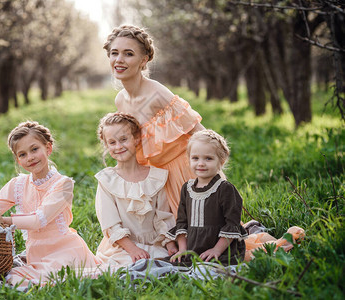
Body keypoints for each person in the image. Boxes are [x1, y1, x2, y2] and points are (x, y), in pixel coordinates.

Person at [0, 121, 100, 287]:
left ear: (48, 148)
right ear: (17, 159)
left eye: (34, 149)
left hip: (66, 252)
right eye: (22, 154)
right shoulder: (18, 184)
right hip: (36, 256)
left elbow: (38, 220)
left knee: (46, 280)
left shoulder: (63, 184)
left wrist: (2, 221)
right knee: (13, 277)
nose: (30, 157)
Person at [103, 24, 205, 217]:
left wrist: (209, 175)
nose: (119, 60)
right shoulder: (121, 100)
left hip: (181, 174)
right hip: (153, 180)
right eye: (114, 53)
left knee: (197, 242)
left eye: (128, 54)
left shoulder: (157, 93)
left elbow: (200, 133)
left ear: (144, 60)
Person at [94, 112, 178, 266]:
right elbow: (110, 224)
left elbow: (162, 217)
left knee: (165, 266)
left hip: (155, 245)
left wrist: (170, 244)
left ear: (137, 139)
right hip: (123, 248)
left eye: (123, 140)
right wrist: (133, 250)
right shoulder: (106, 180)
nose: (118, 146)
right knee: (127, 268)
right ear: (106, 145)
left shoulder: (156, 177)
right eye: (112, 142)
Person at [167, 130, 247, 266]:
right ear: (189, 159)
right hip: (192, 248)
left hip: (221, 249)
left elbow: (232, 224)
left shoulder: (225, 189)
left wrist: (216, 250)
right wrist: (183, 250)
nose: (201, 163)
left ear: (221, 161)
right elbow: (182, 222)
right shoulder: (187, 188)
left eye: (208, 158)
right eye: (195, 158)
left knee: (212, 269)